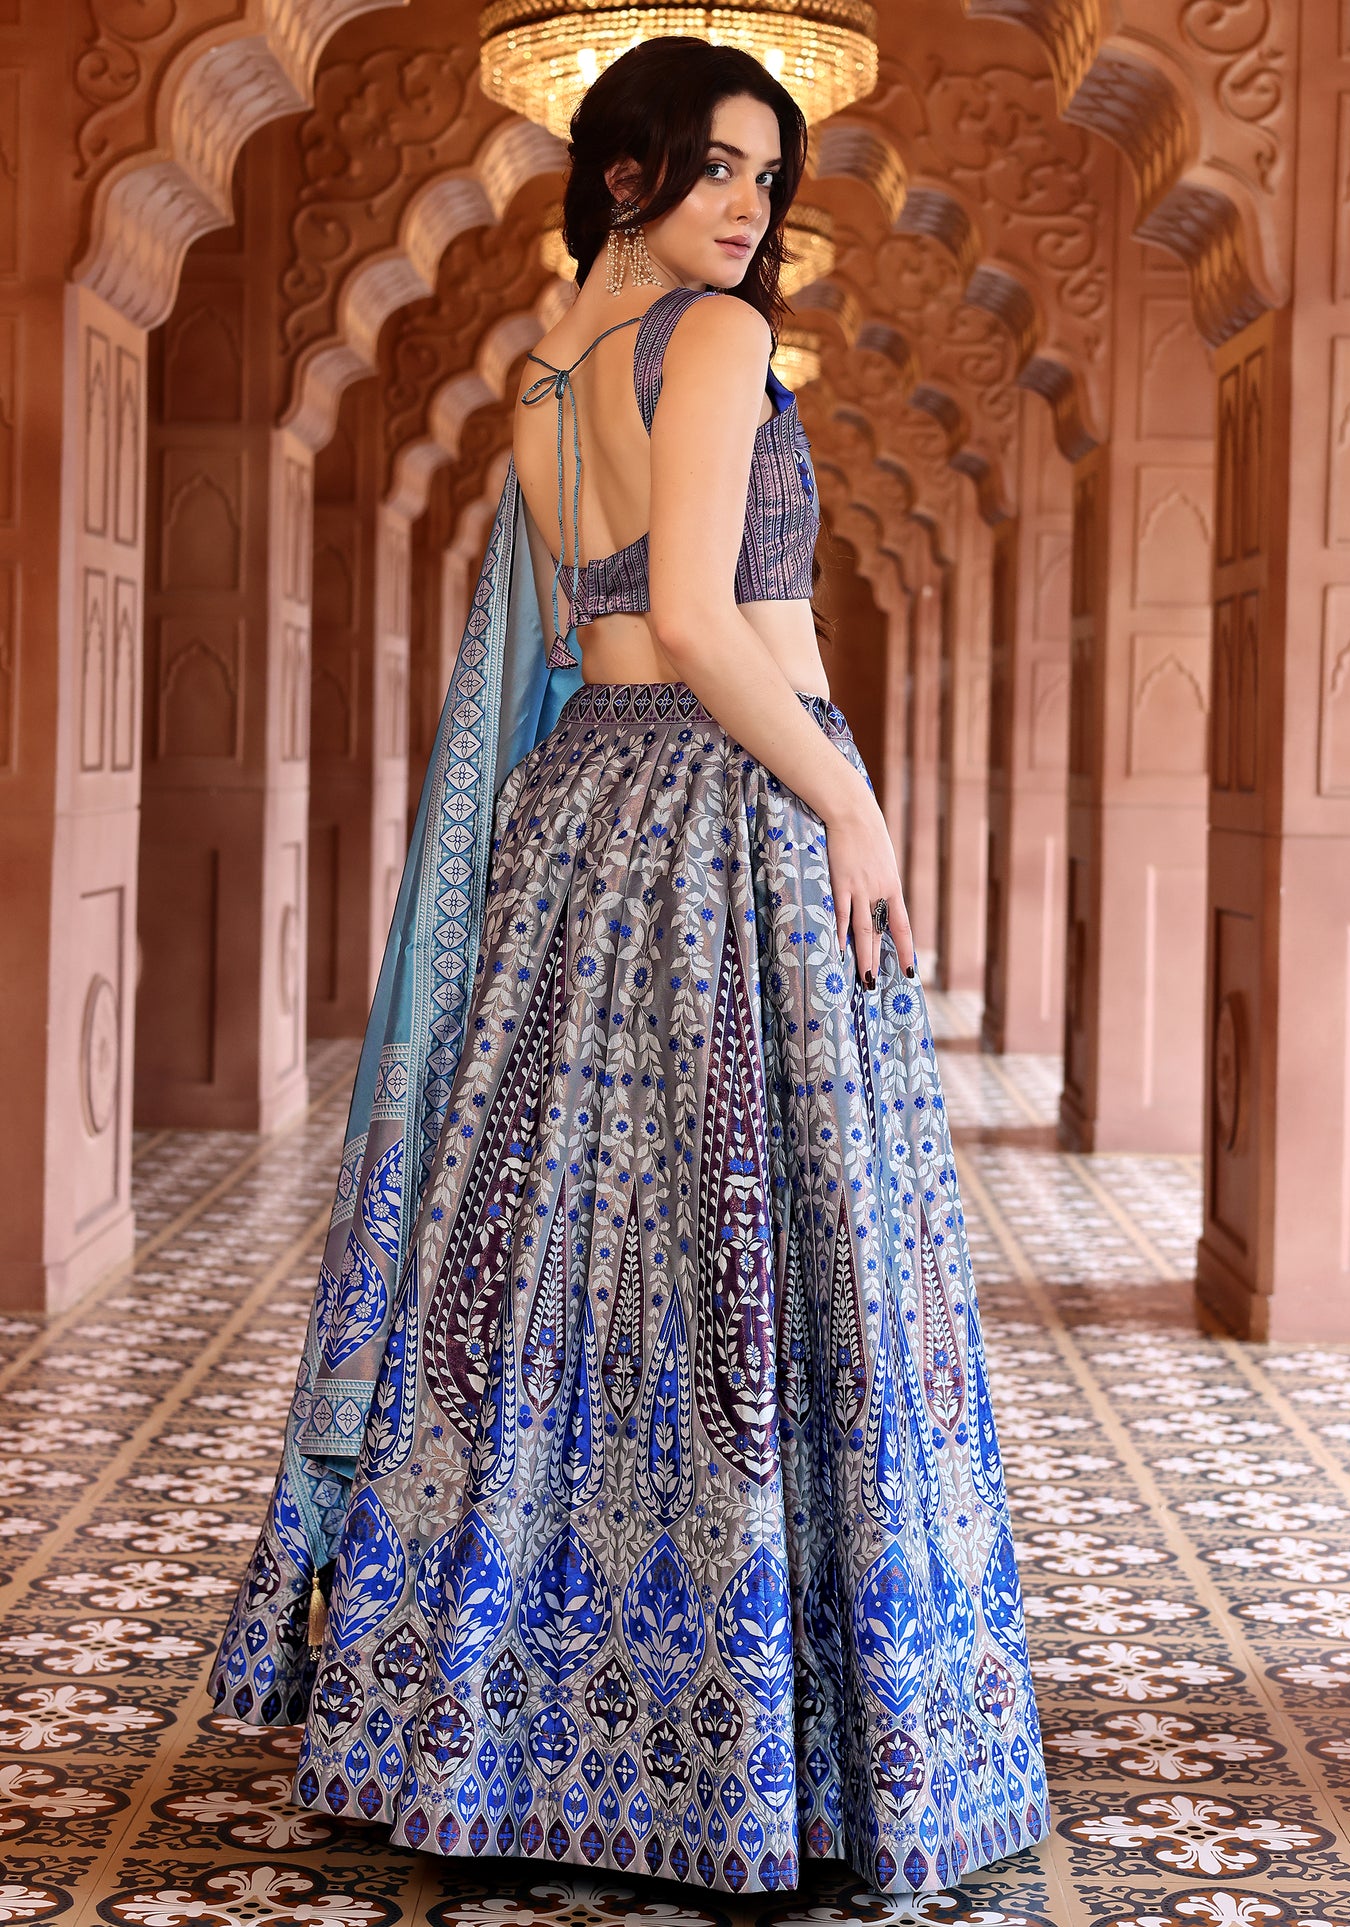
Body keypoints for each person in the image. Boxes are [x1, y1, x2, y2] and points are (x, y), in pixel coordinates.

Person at [208, 35, 1048, 1898]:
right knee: (765, 1250)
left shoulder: (546, 375)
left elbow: (586, 629)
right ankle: (761, 1760)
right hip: (731, 805)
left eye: (767, 176)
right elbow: (702, 616)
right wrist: (851, 805)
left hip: (578, 812)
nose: (749, 208)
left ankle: (500, 1734)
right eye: (715, 167)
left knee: (560, 1263)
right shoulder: (718, 341)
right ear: (623, 177)